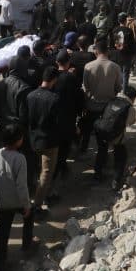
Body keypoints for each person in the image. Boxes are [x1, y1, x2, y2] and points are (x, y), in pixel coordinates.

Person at [0, 124, 34, 271]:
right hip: (16, 200)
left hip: (2, 200)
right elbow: (21, 185)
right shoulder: (20, 158)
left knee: (2, 232)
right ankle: (27, 246)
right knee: (29, 216)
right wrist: (26, 205)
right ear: (18, 141)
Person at [24, 67, 61, 214]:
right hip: (49, 142)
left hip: (33, 139)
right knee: (46, 173)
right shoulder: (54, 99)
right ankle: (37, 204)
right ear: (54, 80)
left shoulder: (30, 96)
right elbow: (57, 123)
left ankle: (36, 194)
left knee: (35, 169)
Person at [91, 85, 136, 189]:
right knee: (121, 155)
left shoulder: (113, 100)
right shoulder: (130, 108)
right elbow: (130, 122)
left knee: (102, 151)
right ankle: (116, 181)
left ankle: (97, 175)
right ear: (133, 98)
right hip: (115, 135)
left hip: (101, 130)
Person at [81, 38, 121, 152]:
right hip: (108, 106)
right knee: (107, 131)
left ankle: (83, 148)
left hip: (92, 104)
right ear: (108, 51)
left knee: (87, 129)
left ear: (96, 52)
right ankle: (106, 149)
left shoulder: (88, 66)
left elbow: (85, 87)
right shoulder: (115, 67)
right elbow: (118, 87)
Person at [52, 50, 84, 188]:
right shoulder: (71, 78)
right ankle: (60, 169)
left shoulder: (51, 76)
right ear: (68, 62)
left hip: (53, 119)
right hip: (68, 119)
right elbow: (78, 98)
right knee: (64, 147)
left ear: (56, 62)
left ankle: (58, 169)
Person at [112, 13, 136, 93]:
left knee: (117, 74)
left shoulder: (115, 30)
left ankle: (117, 91)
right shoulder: (129, 31)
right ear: (125, 20)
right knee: (126, 74)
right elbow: (132, 44)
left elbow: (112, 44)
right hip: (127, 54)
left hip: (117, 54)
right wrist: (133, 55)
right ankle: (124, 92)